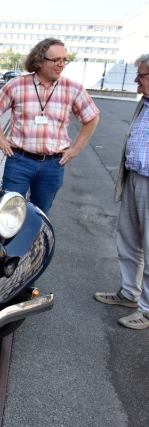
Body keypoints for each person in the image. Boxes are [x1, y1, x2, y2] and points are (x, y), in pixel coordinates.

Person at [0, 38, 99, 215]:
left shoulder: (73, 88)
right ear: (39, 61)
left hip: (52, 165)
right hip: (19, 161)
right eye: (56, 60)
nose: (61, 64)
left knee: (40, 214)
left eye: (64, 60)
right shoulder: (17, 85)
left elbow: (92, 118)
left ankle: (33, 243)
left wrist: (76, 148)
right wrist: (1, 139)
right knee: (8, 212)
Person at [95, 54, 149, 329]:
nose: (137, 81)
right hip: (135, 178)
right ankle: (129, 293)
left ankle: (147, 311)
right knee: (129, 239)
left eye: (141, 75)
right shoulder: (145, 104)